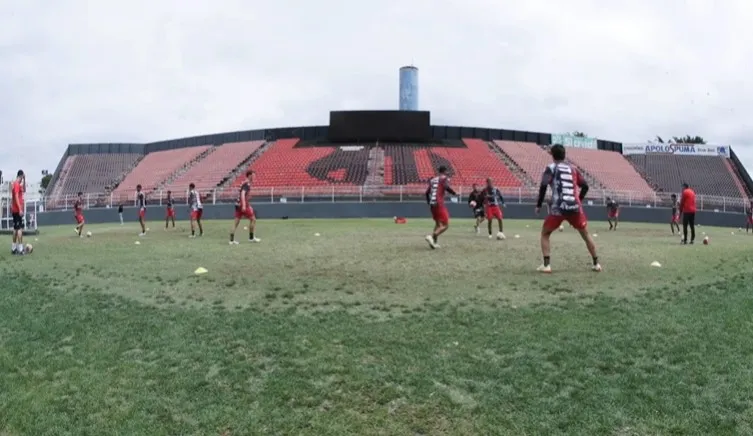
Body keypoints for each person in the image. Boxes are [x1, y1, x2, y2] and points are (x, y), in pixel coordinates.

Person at [535, 144, 601, 273]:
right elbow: (585, 186)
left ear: (552, 155)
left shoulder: (551, 168)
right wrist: (579, 201)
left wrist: (538, 205)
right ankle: (596, 264)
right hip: (575, 207)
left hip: (558, 208)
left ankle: (546, 265)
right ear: (564, 155)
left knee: (545, 234)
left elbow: (543, 186)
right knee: (586, 234)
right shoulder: (573, 169)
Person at [424, 166, 456, 249]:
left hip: (432, 204)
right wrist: (453, 193)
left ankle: (434, 243)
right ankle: (431, 236)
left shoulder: (433, 180)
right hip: (439, 204)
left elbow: (427, 193)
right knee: (446, 225)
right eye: (447, 171)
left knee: (438, 224)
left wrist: (429, 202)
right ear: (445, 171)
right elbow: (446, 186)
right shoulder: (444, 178)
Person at [230, 170, 261, 244]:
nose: (254, 177)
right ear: (249, 176)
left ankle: (231, 240)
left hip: (238, 205)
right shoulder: (246, 184)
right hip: (242, 205)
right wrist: (244, 205)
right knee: (253, 220)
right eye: (253, 175)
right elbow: (242, 194)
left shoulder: (244, 183)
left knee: (236, 223)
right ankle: (251, 238)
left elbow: (242, 194)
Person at [10, 170, 26, 255]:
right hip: (17, 210)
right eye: (22, 177)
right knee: (19, 229)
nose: (22, 179)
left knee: (15, 229)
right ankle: (20, 249)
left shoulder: (17, 185)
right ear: (20, 176)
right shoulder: (16, 184)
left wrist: (25, 179)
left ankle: (13, 248)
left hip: (15, 210)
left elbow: (24, 190)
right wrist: (20, 209)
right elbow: (16, 197)